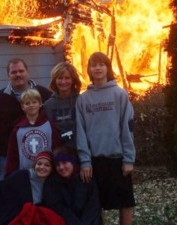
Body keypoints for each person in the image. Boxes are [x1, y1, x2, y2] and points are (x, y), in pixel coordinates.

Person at [75, 52, 136, 225]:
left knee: (125, 201)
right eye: (94, 65)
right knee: (97, 203)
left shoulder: (120, 94)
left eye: (102, 64)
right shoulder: (83, 99)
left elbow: (127, 127)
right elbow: (81, 132)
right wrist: (85, 161)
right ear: (89, 70)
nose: (98, 68)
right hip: (95, 161)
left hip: (117, 159)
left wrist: (129, 159)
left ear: (108, 68)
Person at [0, 58, 52, 181]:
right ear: (8, 75)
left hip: (40, 155)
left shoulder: (44, 94)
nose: (18, 75)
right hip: (7, 156)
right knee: (10, 190)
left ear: (27, 72)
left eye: (21, 71)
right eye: (14, 72)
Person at [0, 149, 65, 225]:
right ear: (35, 165)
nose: (42, 167)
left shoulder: (52, 184)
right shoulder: (21, 177)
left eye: (47, 165)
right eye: (39, 163)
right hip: (16, 218)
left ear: (52, 169)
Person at [4, 89, 61, 177]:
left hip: (48, 173)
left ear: (40, 104)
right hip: (25, 174)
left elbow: (56, 148)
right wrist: (10, 174)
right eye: (27, 103)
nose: (31, 105)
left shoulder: (49, 125)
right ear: (23, 107)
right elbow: (12, 154)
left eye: (34, 102)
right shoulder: (18, 129)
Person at [43, 146, 102, 225]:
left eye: (64, 162)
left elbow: (93, 206)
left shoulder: (86, 178)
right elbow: (57, 208)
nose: (61, 167)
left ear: (72, 162)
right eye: (57, 165)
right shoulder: (51, 183)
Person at [44, 62, 82, 148]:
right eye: (60, 78)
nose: (63, 82)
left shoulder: (81, 101)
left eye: (67, 78)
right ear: (54, 80)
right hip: (58, 150)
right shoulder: (48, 105)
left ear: (73, 80)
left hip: (79, 149)